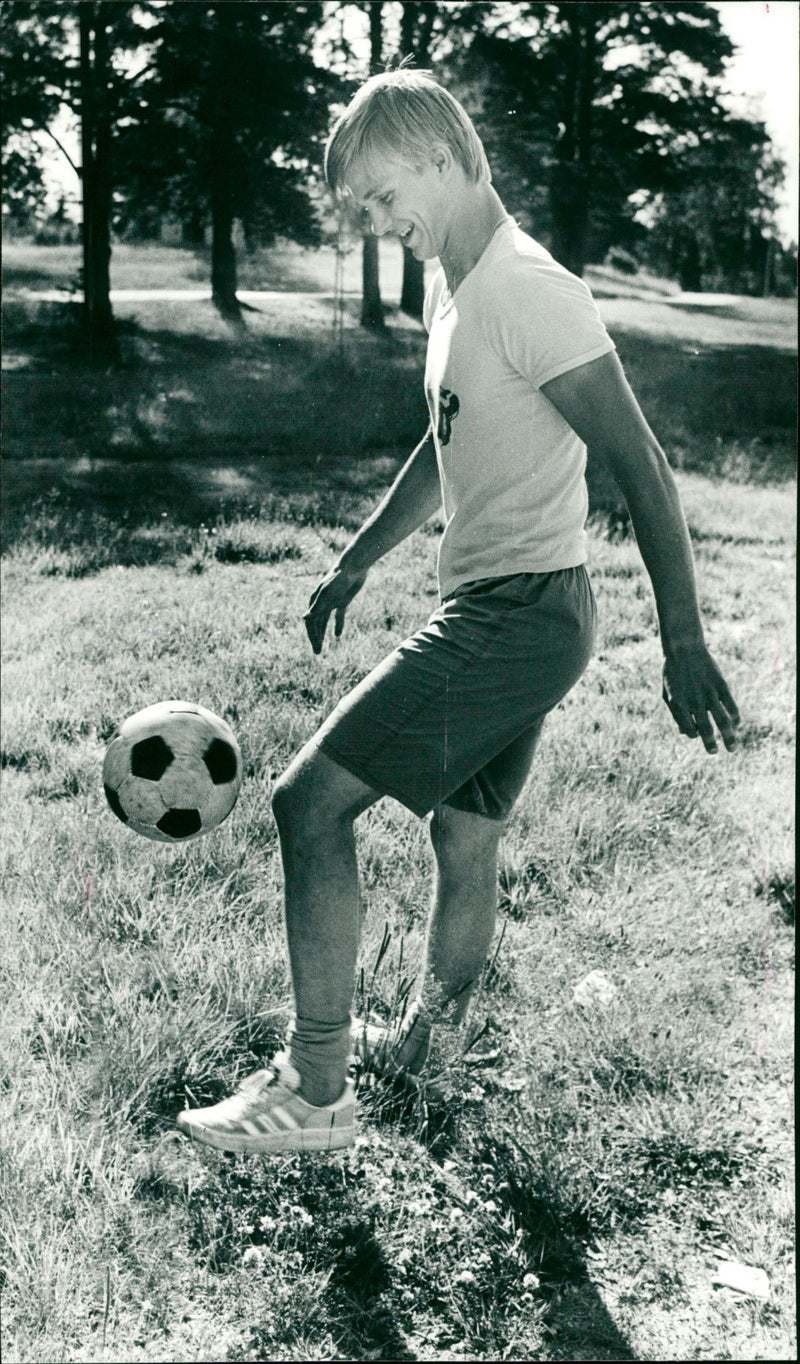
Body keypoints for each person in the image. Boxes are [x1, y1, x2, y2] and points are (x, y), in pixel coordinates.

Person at [177, 70, 740, 1155]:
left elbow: (642, 466)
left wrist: (681, 639)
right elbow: (446, 447)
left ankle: (317, 1086)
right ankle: (434, 1046)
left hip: (519, 615)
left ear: (440, 155)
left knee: (307, 803)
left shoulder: (526, 288)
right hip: (516, 607)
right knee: (464, 832)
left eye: (384, 198)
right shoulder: (456, 284)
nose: (379, 224)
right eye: (362, 212)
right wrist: (355, 559)